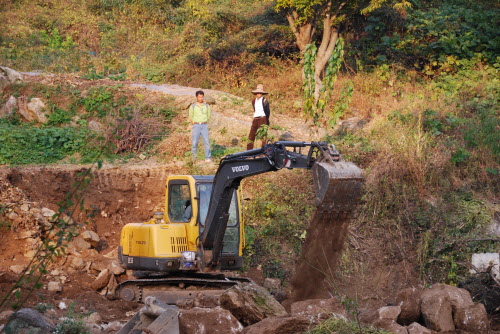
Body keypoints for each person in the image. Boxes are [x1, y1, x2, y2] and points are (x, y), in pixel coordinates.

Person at [188, 90, 212, 162]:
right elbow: (190, 116)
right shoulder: (193, 106)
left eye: (202, 97)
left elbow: (209, 115)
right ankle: (194, 158)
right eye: (199, 97)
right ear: (196, 97)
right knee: (194, 142)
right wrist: (194, 122)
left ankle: (207, 157)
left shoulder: (207, 106)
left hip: (204, 125)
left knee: (207, 142)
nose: (201, 99)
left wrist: (205, 121)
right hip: (196, 125)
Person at [247, 84, 271, 150]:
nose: (259, 94)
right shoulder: (254, 101)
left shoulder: (264, 101)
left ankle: (263, 151)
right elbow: (255, 109)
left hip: (263, 118)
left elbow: (267, 111)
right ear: (256, 93)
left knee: (263, 136)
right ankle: (249, 151)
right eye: (258, 93)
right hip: (255, 118)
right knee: (251, 135)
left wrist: (266, 120)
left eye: (260, 93)